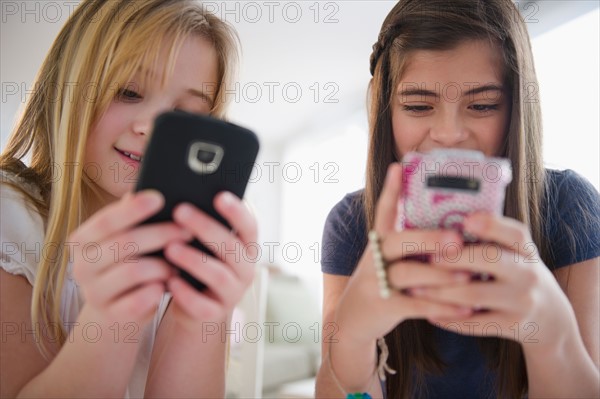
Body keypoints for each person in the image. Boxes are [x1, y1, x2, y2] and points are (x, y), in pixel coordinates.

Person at [315, 0, 600, 398]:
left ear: (516, 109)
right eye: (418, 106)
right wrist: (351, 339)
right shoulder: (350, 224)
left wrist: (552, 337)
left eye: (482, 105)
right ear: (387, 113)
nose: (448, 134)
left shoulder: (570, 207)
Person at [0, 1, 258, 397]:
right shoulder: (11, 219)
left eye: (185, 113)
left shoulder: (192, 246)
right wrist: (110, 319)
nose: (150, 128)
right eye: (129, 91)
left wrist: (200, 315)